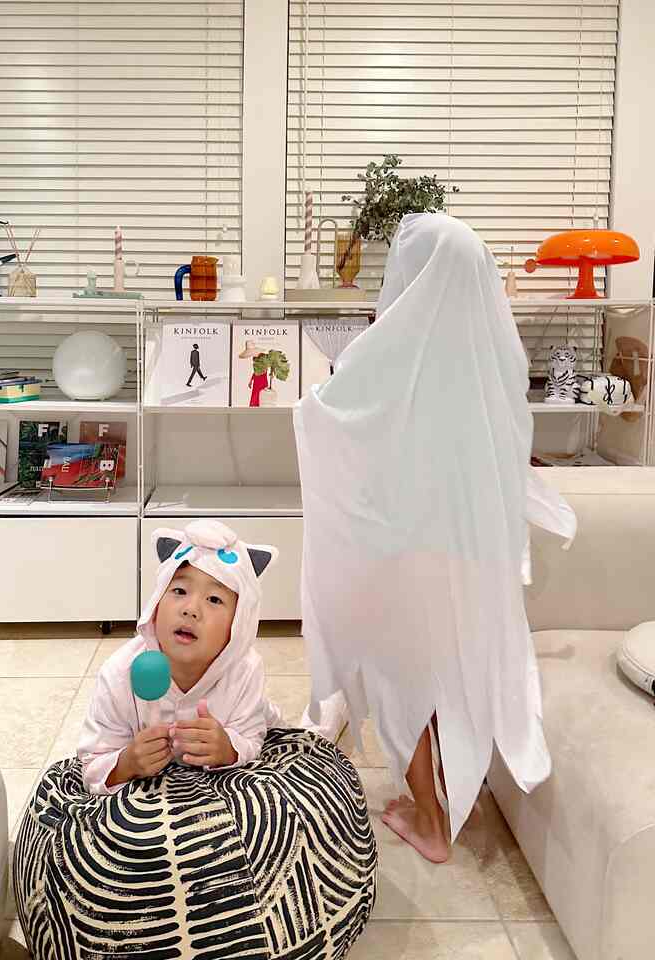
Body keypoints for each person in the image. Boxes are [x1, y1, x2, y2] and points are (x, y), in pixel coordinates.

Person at [294, 213, 576, 863]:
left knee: (405, 682)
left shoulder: (391, 356)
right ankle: (453, 790)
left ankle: (428, 818)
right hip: (471, 561)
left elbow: (338, 421)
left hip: (404, 556)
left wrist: (310, 407)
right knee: (453, 676)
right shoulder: (488, 364)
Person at [78, 519, 283, 793]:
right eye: (179, 591)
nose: (191, 609)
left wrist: (228, 748)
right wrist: (126, 763)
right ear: (156, 605)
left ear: (238, 624)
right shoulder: (119, 674)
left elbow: (251, 740)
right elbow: (92, 763)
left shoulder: (244, 671)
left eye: (214, 599)